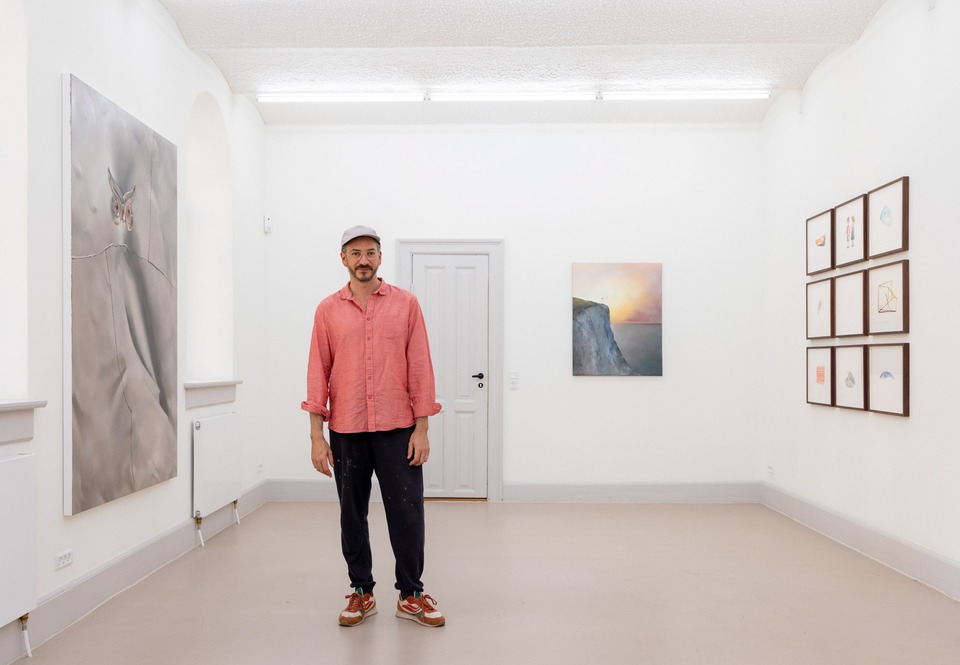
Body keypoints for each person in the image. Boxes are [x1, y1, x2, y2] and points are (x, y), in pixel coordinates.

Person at [301, 225, 445, 628]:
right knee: (351, 513)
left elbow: (420, 368)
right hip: (346, 429)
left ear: (380, 258)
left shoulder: (407, 305)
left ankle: (411, 594)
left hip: (399, 427)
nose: (363, 260)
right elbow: (318, 373)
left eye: (370, 252)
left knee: (407, 511)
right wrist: (316, 435)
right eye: (354, 253)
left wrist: (422, 429)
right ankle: (362, 592)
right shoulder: (327, 310)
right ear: (343, 259)